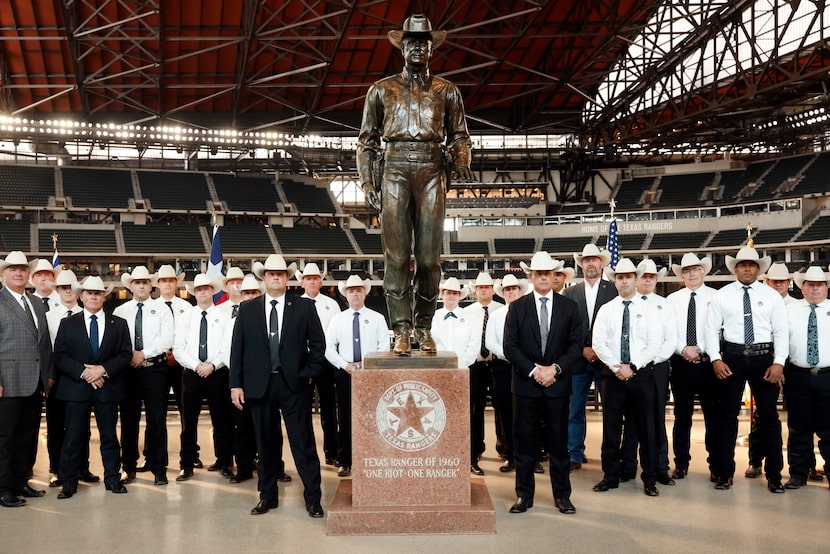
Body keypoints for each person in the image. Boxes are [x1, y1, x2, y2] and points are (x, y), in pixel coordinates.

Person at [357, 14, 473, 356]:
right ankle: (401, 329)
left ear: (432, 50)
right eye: (412, 42)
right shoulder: (381, 90)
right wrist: (367, 182)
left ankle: (424, 327)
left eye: (424, 43)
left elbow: (459, 134)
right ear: (402, 48)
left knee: (427, 259)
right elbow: (366, 141)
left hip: (432, 168)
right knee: (395, 258)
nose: (418, 48)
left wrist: (462, 157)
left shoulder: (447, 91)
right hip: (393, 167)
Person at [230, 254, 326, 517]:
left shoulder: (304, 307)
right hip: (258, 385)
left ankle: (313, 498)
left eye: (281, 273)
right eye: (271, 273)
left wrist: (308, 373)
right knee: (265, 444)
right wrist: (235, 384)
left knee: (302, 441)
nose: (276, 277)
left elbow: (318, 345)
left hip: (294, 385)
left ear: (287, 278)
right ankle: (267, 496)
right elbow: (237, 349)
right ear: (264, 278)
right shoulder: (248, 309)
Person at [504, 252, 583, 515]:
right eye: (538, 274)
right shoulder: (517, 307)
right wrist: (534, 371)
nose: (543, 278)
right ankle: (524, 496)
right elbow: (510, 347)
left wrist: (555, 370)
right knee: (524, 444)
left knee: (559, 446)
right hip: (526, 387)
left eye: (547, 273)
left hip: (557, 387)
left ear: (554, 276)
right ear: (531, 276)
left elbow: (575, 346)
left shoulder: (570, 308)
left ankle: (562, 496)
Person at [704, 246, 788, 493]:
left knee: (770, 417)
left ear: (759, 269)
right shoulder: (723, 295)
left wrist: (779, 362)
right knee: (727, 416)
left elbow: (781, 330)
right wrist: (715, 359)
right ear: (735, 268)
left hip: (764, 358)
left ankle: (774, 475)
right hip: (732, 358)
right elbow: (711, 329)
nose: (747, 268)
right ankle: (724, 472)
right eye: (742, 265)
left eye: (752, 265)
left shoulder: (771, 295)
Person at [53, 275, 132, 499]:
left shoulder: (119, 324)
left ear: (104, 297)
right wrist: (86, 372)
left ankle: (113, 479)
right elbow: (60, 356)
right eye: (89, 293)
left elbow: (125, 354)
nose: (93, 296)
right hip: (76, 388)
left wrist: (102, 370)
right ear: (81, 296)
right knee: (74, 436)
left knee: (109, 435)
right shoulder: (67, 323)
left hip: (107, 387)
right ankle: (68, 481)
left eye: (97, 293)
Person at [592, 258, 663, 497]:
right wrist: (616, 366)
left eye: (628, 277)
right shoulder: (606, 309)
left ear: (636, 279)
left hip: (641, 375)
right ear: (615, 281)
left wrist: (632, 366)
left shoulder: (648, 310)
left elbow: (654, 343)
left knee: (646, 429)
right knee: (610, 429)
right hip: (612, 377)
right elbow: (598, 343)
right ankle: (610, 476)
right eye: (620, 277)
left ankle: (650, 478)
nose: (624, 281)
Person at [0, 252, 53, 508]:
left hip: (34, 382)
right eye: (13, 269)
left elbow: (44, 344)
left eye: (22, 269)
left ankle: (21, 481)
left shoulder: (35, 302)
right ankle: (3, 488)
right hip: (7, 381)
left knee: (27, 437)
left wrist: (47, 376)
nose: (19, 273)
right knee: (5, 438)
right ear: (3, 274)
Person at [113, 266, 174, 486]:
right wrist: (130, 356)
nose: (141, 285)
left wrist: (143, 354)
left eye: (145, 282)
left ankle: (159, 468)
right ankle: (128, 467)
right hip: (128, 372)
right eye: (137, 282)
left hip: (154, 370)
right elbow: (115, 340)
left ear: (151, 285)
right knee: (129, 421)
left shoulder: (163, 309)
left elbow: (167, 338)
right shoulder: (120, 311)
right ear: (130, 286)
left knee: (157, 420)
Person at [324, 275, 389, 477]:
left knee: (372, 417)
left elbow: (384, 346)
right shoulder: (338, 319)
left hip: (371, 375)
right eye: (351, 290)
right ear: (346, 294)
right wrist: (345, 365)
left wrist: (369, 365)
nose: (355, 293)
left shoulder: (377, 318)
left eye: (359, 290)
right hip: (346, 373)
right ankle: (346, 460)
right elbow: (328, 347)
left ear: (365, 293)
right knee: (345, 417)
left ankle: (372, 458)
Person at [619, 259, 675, 485]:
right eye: (644, 276)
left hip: (657, 366)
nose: (648, 279)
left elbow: (670, 339)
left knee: (656, 419)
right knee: (631, 418)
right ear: (636, 279)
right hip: (631, 368)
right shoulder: (625, 303)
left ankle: (660, 467)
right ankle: (628, 466)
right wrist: (635, 364)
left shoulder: (665, 304)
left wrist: (651, 359)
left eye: (652, 276)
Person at [173, 274, 233, 482]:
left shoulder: (225, 317)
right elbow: (178, 348)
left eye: (206, 288)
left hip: (218, 374)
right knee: (188, 421)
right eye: (199, 289)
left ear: (213, 290)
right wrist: (197, 365)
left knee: (221, 420)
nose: (203, 292)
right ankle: (187, 464)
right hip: (192, 374)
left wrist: (213, 365)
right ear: (194, 292)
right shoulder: (184, 317)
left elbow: (227, 348)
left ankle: (224, 462)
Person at [563, 243, 618, 470]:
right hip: (578, 359)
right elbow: (567, 329)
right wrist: (584, 348)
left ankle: (610, 456)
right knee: (574, 409)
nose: (590, 263)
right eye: (586, 260)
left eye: (594, 260)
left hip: (605, 360)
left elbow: (615, 326)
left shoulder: (613, 289)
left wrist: (599, 348)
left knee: (611, 411)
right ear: (582, 264)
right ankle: (574, 454)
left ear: (602, 263)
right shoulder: (570, 292)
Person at [665, 253, 718, 480]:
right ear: (682, 275)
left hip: (707, 364)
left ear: (703, 271)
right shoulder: (672, 300)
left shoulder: (717, 297)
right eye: (687, 271)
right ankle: (681, 463)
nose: (692, 274)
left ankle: (715, 464)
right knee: (682, 415)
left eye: (695, 269)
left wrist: (700, 348)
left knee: (712, 416)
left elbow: (717, 329)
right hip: (681, 364)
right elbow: (668, 331)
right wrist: (683, 349)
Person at [44, 269, 98, 488]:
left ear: (77, 291)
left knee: (82, 426)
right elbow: (46, 350)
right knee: (56, 425)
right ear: (57, 290)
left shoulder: (87, 314)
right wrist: (47, 377)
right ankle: (57, 469)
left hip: (82, 378)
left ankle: (82, 467)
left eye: (70, 287)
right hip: (57, 378)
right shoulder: (47, 317)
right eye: (62, 288)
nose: (67, 291)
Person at [782, 266, 830, 489]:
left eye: (819, 285)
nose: (815, 289)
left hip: (827, 376)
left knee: (828, 429)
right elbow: (780, 342)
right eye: (811, 285)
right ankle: (798, 474)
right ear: (802, 287)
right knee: (798, 428)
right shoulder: (789, 310)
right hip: (797, 375)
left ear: (826, 288)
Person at [154, 265, 202, 468]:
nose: (167, 283)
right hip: (157, 363)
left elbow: (191, 336)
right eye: (163, 280)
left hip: (181, 364)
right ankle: (152, 454)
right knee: (156, 411)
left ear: (176, 282)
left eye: (171, 280)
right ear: (157, 283)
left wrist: (178, 355)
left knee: (187, 412)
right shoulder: (151, 306)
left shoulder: (186, 307)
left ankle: (191, 454)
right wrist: (164, 353)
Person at [431, 277, 479, 473]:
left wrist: (459, 367)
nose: (451, 295)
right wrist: (443, 367)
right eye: (448, 292)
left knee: (466, 417)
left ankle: (470, 459)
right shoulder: (433, 317)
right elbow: (430, 346)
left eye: (454, 293)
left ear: (459, 296)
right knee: (439, 416)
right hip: (439, 374)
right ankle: (442, 457)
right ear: (442, 295)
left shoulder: (470, 317)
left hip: (464, 372)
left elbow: (473, 346)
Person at [297, 262, 341, 467]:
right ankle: (306, 454)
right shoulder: (295, 304)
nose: (312, 281)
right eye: (308, 278)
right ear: (302, 282)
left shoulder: (332, 305)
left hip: (327, 360)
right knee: (302, 409)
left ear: (320, 281)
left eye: (315, 278)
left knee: (329, 408)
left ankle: (331, 451)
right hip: (304, 360)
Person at [485, 274, 529, 473]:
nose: (511, 292)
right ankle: (511, 456)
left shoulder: (530, 312)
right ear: (503, 293)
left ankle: (531, 457)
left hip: (526, 367)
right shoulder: (496, 315)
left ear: (520, 291)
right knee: (505, 412)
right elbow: (489, 342)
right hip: (503, 367)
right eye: (507, 289)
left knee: (529, 412)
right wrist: (510, 354)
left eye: (514, 289)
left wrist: (521, 358)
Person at [464, 272, 504, 469]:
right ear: (475, 290)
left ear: (492, 289)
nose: (484, 290)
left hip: (497, 364)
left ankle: (503, 446)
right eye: (480, 287)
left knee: (502, 407)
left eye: (487, 287)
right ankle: (476, 449)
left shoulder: (501, 309)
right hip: (476, 365)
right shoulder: (467, 312)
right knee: (475, 409)